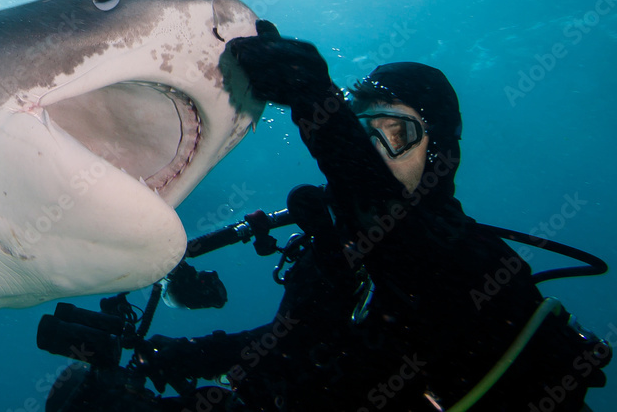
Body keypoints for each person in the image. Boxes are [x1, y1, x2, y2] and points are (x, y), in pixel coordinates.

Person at [136, 21, 610, 411]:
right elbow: (289, 348)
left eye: (395, 133)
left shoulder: (473, 262)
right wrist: (184, 356)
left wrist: (314, 102)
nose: (374, 150)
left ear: (440, 155)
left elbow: (394, 225)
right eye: (364, 131)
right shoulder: (331, 253)